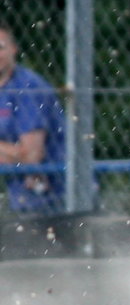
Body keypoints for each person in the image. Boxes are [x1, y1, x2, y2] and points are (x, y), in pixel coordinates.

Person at [0, 22, 65, 214]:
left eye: (0, 47)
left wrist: (12, 155)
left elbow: (31, 156)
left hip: (58, 197)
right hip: (23, 198)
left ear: (14, 49)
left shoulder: (27, 86)